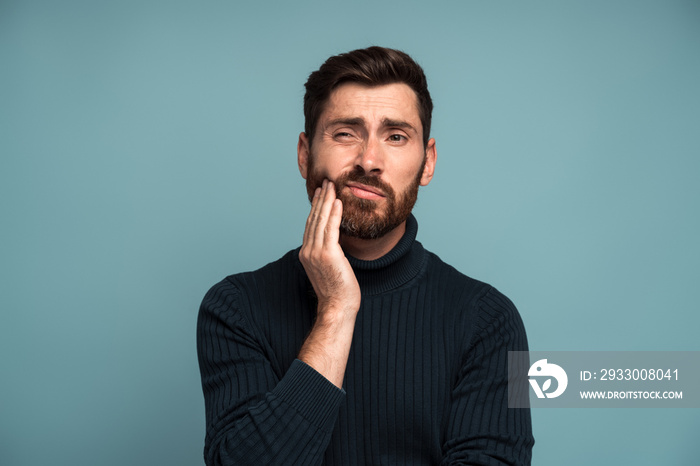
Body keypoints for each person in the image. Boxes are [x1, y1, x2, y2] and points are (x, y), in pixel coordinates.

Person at [197, 46, 534, 465]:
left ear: (427, 163)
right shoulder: (235, 307)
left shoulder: (491, 322)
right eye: (346, 133)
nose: (369, 161)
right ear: (305, 154)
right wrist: (337, 310)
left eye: (396, 136)